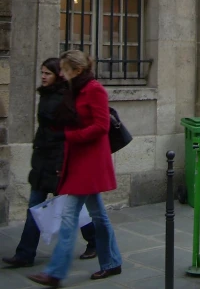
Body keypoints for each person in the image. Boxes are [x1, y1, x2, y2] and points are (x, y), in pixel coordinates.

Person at [29, 50, 122, 288]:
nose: (61, 73)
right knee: (98, 215)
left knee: (69, 216)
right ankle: (112, 261)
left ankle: (56, 272)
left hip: (90, 161)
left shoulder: (94, 89)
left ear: (77, 70)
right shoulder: (75, 89)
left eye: (64, 69)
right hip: (79, 159)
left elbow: (101, 127)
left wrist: (70, 136)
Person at [2, 58, 96, 269]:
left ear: (58, 75)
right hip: (43, 159)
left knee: (71, 208)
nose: (43, 76)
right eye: (42, 72)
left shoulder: (64, 98)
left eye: (47, 73)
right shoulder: (46, 95)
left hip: (57, 162)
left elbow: (66, 135)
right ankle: (25, 254)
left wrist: (60, 163)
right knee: (35, 207)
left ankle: (95, 240)